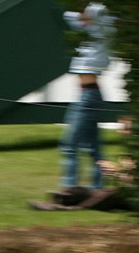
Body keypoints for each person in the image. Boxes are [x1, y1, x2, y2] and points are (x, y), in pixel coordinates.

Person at [59, 3, 114, 190]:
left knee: (69, 145)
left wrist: (87, 13)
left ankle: (69, 188)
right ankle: (97, 187)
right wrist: (82, 17)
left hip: (88, 96)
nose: (82, 18)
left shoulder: (102, 28)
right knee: (93, 147)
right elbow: (68, 16)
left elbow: (96, 12)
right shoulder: (89, 30)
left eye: (86, 14)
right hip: (89, 94)